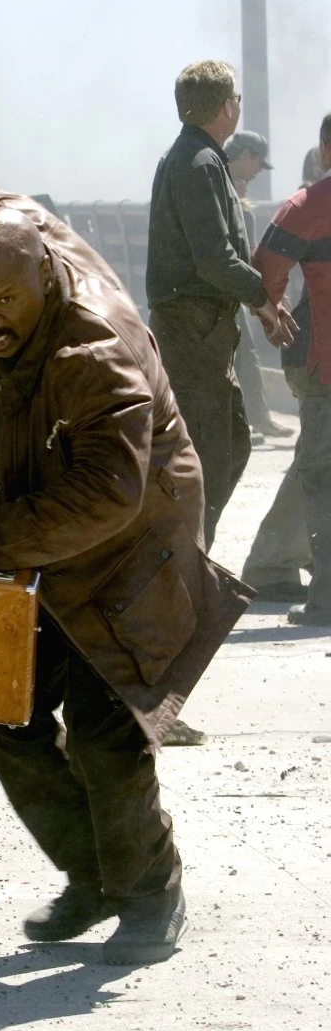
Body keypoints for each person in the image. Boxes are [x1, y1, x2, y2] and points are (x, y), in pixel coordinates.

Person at [0, 195, 251, 965]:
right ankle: (94, 875)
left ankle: (151, 895)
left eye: (5, 301)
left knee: (105, 733)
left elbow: (109, 495)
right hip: (53, 533)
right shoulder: (5, 269)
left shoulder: (94, 353)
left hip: (135, 542)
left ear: (45, 274)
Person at [145, 60, 292, 551]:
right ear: (227, 107)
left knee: (230, 445)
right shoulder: (200, 162)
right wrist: (263, 300)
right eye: (237, 100)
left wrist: (254, 299)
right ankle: (182, 559)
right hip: (193, 331)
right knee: (207, 456)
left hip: (202, 330)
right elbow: (214, 258)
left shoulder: (195, 157)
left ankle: (189, 554)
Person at [252, 113, 331, 627]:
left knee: (322, 475)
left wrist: (274, 316)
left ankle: (326, 597)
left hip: (325, 365)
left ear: (325, 149)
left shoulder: (309, 204)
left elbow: (264, 269)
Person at [224, 131, 292, 441]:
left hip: (230, 287)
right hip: (224, 289)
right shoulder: (221, 184)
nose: (257, 174)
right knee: (244, 352)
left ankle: (255, 417)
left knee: (245, 351)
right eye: (257, 164)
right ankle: (256, 418)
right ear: (245, 156)